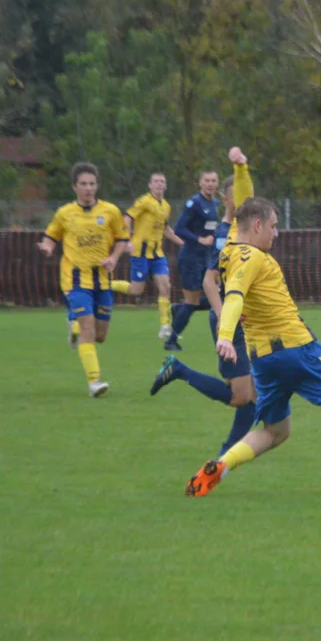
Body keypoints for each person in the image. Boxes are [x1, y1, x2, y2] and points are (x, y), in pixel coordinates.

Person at [177, 196, 321, 499]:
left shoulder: (228, 253)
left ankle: (220, 467)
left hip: (263, 359)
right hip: (296, 349)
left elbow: (224, 287)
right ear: (258, 225)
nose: (276, 234)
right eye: (274, 227)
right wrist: (225, 335)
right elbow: (234, 295)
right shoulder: (250, 256)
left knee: (276, 431)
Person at [150, 147, 258, 457]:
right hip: (230, 321)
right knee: (240, 396)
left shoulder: (242, 229)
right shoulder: (225, 234)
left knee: (253, 393)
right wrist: (226, 319)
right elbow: (210, 281)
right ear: (227, 200)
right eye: (237, 195)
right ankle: (179, 370)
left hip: (247, 321)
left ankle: (225, 457)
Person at [37, 162, 130, 397]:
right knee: (88, 328)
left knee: (100, 335)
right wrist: (47, 248)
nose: (88, 188)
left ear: (97, 186)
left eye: (92, 184)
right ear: (74, 187)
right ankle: (94, 382)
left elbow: (121, 238)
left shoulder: (110, 211)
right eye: (83, 184)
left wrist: (114, 258)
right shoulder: (64, 213)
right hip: (75, 279)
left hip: (103, 280)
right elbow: (51, 236)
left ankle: (74, 325)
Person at [110, 173, 184, 339]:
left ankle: (165, 327)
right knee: (136, 290)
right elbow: (127, 218)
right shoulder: (144, 202)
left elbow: (165, 229)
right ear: (150, 185)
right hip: (140, 253)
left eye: (162, 182)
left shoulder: (166, 206)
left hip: (157, 254)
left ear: (165, 186)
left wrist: (181, 243)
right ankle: (107, 284)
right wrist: (126, 239)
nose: (159, 184)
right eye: (156, 182)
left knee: (166, 286)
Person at [163, 169, 220, 351]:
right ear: (200, 183)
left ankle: (179, 310)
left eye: (213, 180)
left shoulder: (215, 203)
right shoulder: (194, 203)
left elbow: (210, 229)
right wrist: (199, 239)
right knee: (194, 301)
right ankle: (171, 340)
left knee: (214, 298)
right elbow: (179, 228)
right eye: (207, 180)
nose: (210, 183)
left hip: (205, 258)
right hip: (190, 258)